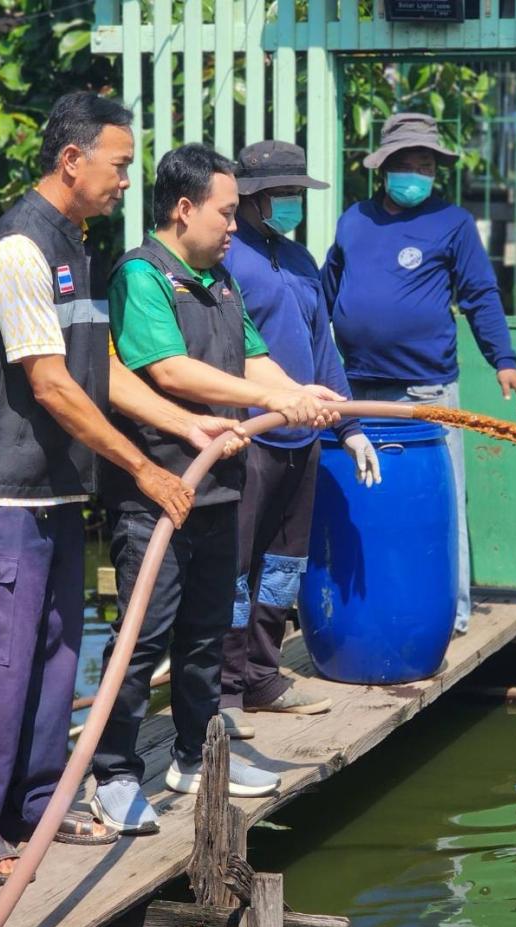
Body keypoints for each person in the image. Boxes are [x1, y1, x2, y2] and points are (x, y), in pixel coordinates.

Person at [0, 92, 241, 885]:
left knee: (52, 659)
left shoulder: (78, 249)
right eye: (117, 166)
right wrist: (144, 469)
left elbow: (98, 371)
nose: (123, 182)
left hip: (57, 496)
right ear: (71, 160)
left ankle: (38, 805)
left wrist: (187, 427)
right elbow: (52, 386)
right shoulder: (14, 251)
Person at [92, 144, 343, 835]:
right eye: (226, 212)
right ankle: (112, 773)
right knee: (145, 638)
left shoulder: (220, 280)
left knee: (206, 633)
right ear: (184, 209)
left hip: (221, 488)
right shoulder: (142, 277)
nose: (235, 226)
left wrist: (302, 395)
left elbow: (257, 359)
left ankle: (198, 756)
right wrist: (272, 404)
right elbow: (168, 370)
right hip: (159, 494)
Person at [320, 112, 516, 635]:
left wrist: (502, 359)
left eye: (426, 165)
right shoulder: (354, 219)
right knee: (364, 499)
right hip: (357, 387)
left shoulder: (452, 223)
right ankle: (374, 598)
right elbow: (326, 288)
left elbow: (479, 294)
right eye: (406, 163)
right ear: (383, 168)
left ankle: (450, 612)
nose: (417, 172)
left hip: (425, 387)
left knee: (439, 501)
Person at [217, 141, 380, 739]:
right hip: (250, 435)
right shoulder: (228, 259)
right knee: (235, 569)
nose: (293, 204)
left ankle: (263, 674)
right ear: (255, 198)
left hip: (302, 439)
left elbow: (323, 351)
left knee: (283, 567)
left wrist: (350, 427)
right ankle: (225, 691)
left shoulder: (300, 259)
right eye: (285, 195)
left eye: (296, 194)